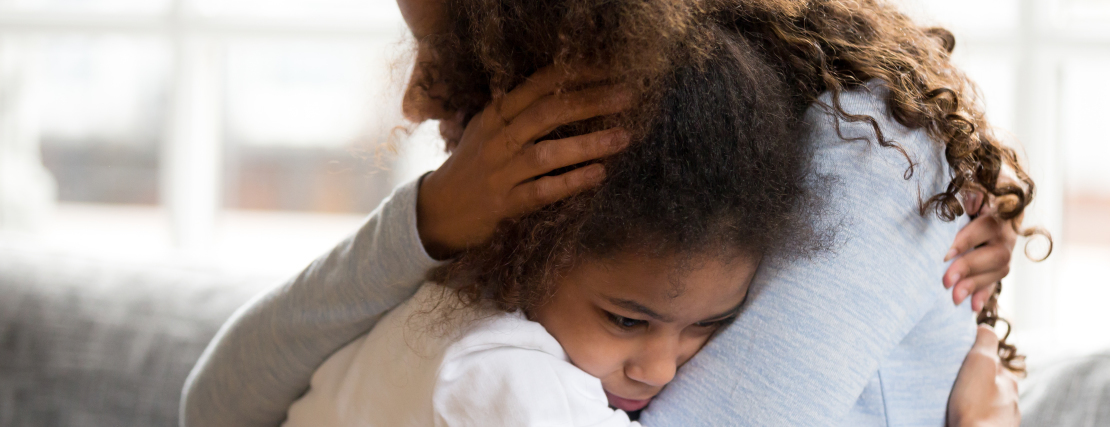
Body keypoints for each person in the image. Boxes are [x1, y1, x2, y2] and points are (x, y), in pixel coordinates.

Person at [181, 1, 1032, 426]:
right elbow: (217, 405)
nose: (413, 98)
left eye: (444, 44)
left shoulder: (874, 148)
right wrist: (430, 219)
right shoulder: (586, 190)